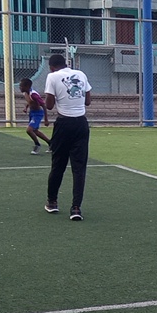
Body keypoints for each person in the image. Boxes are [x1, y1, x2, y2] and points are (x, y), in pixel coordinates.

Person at [43, 53, 92, 221]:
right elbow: (88, 101)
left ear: (52, 67)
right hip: (81, 124)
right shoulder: (81, 74)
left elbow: (49, 105)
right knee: (79, 169)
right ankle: (76, 208)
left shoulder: (52, 76)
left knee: (58, 165)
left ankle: (52, 202)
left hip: (64, 124)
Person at [20, 78, 50, 154]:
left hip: (38, 113)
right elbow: (30, 101)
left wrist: (46, 119)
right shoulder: (25, 93)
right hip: (32, 112)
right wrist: (26, 107)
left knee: (29, 130)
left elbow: (43, 105)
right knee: (35, 131)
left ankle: (37, 145)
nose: (20, 88)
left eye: (21, 86)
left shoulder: (33, 94)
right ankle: (51, 143)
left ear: (27, 86)